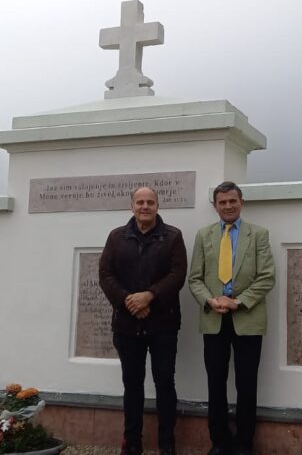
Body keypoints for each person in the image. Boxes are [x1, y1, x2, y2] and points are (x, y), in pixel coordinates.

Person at [188, 181, 276, 455]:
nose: (227, 206)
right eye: (222, 202)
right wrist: (210, 300)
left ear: (241, 202)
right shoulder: (204, 235)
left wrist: (238, 301)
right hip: (214, 319)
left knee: (246, 384)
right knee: (215, 383)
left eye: (232, 201)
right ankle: (220, 441)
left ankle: (244, 443)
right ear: (215, 206)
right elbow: (195, 279)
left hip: (247, 318)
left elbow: (266, 277)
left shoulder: (258, 234)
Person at [99, 186, 188, 455]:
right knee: (132, 385)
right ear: (132, 206)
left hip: (163, 324)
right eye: (140, 202)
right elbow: (105, 275)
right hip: (127, 325)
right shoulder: (116, 238)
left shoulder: (173, 237)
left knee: (164, 383)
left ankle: (167, 443)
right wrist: (130, 301)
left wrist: (149, 296)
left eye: (150, 202)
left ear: (158, 206)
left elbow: (177, 275)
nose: (145, 206)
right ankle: (132, 442)